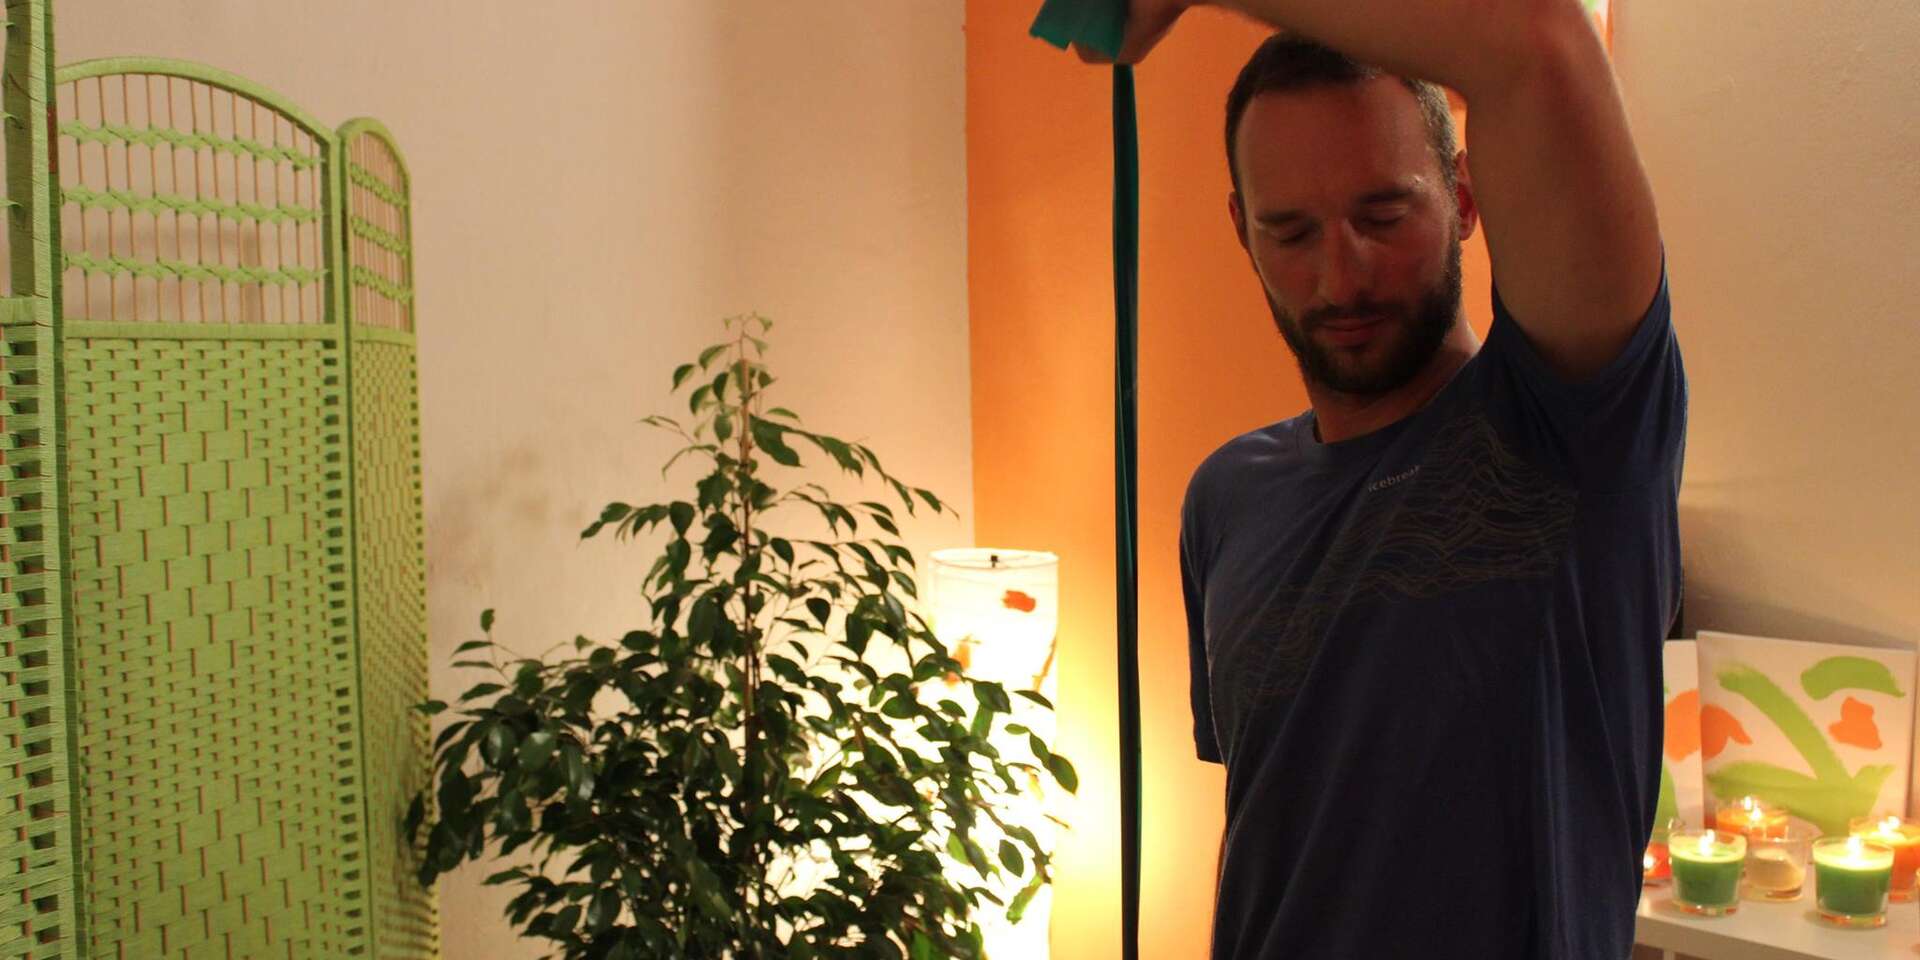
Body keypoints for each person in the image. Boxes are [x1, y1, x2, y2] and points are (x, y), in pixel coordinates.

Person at [1081, 1, 1683, 957]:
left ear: (1465, 197)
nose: (1341, 276)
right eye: (1291, 233)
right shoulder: (1226, 498)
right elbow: (1270, 822)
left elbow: (1539, 41)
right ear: (1242, 231)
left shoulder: (1571, 428)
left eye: (1382, 215)